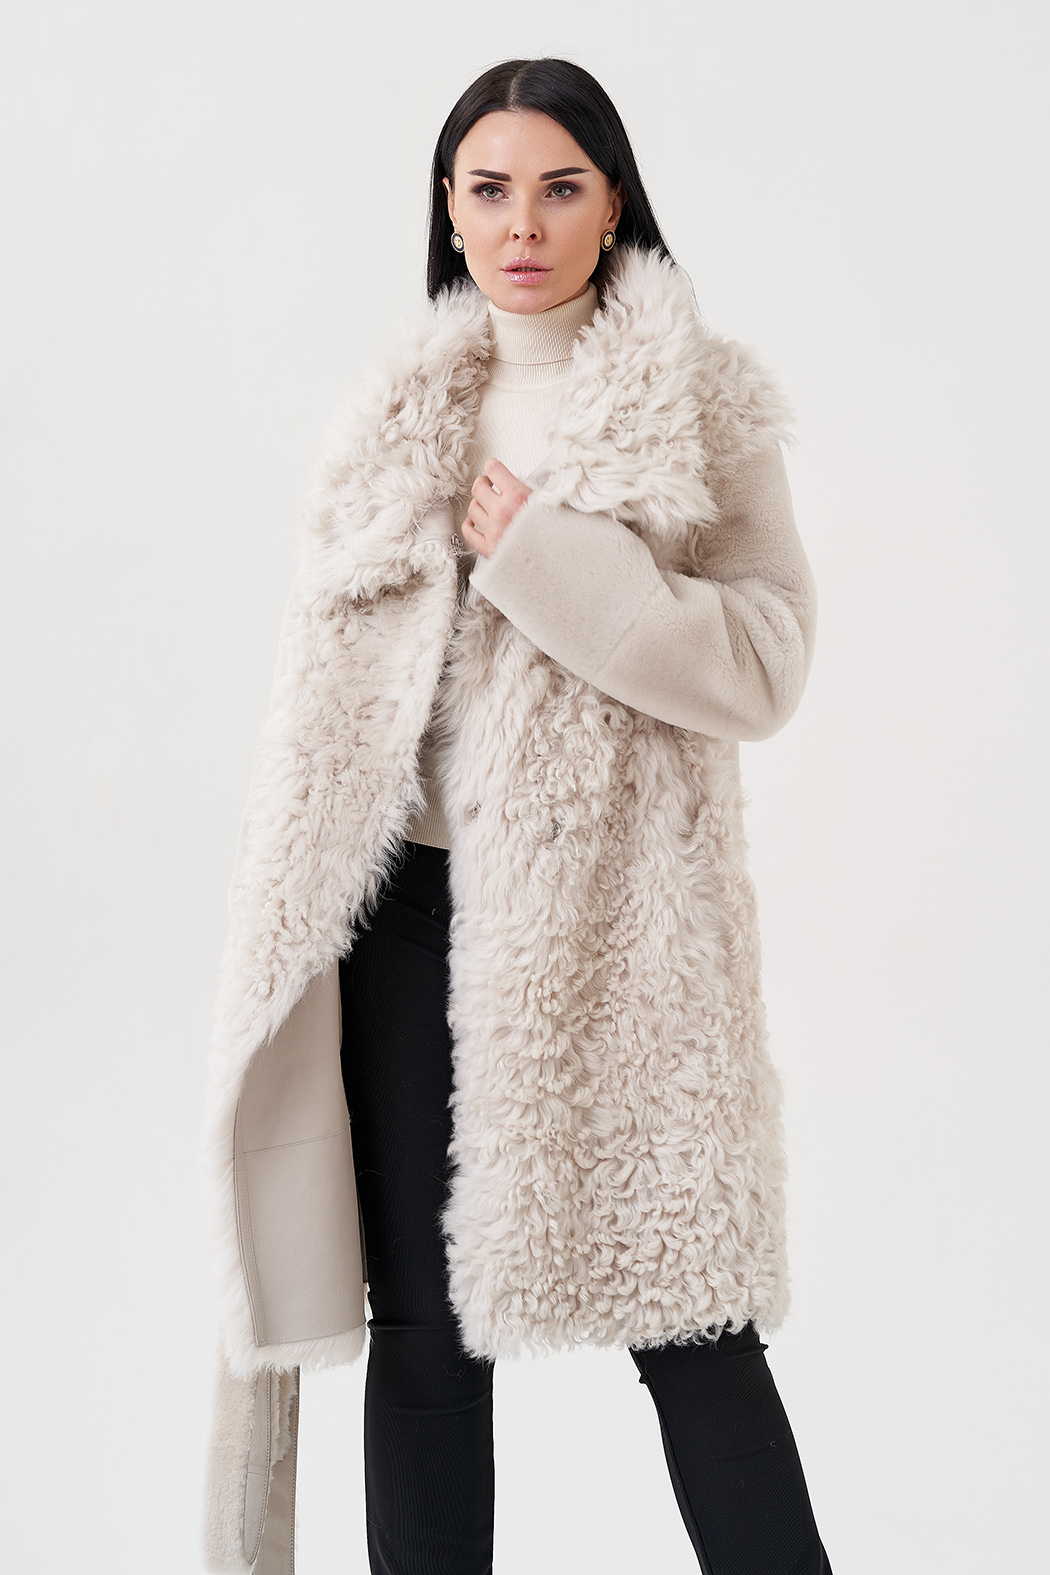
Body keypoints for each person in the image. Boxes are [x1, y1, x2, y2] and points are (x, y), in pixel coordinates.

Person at [202, 55, 832, 1575]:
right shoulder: (395, 418)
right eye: (490, 190)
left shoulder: (696, 402)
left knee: (691, 1318)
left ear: (613, 203)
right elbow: (323, 701)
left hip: (619, 931)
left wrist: (552, 561)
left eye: (559, 187)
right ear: (449, 208)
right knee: (422, 1340)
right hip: (401, 912)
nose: (523, 224)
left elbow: (764, 664)